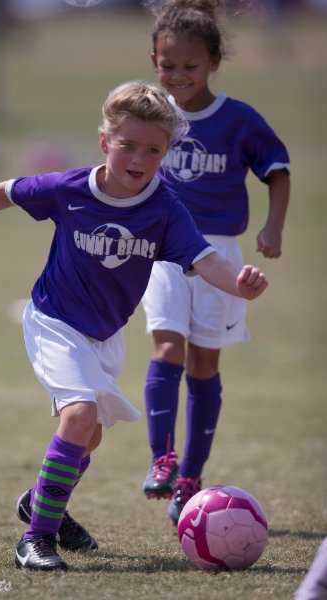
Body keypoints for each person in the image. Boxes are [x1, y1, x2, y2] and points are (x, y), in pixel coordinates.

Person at [0, 80, 268, 572]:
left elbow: (205, 260)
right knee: (79, 417)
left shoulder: (165, 210)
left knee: (89, 436)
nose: (139, 158)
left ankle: (41, 501)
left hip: (104, 336)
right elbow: (6, 192)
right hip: (55, 322)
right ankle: (36, 539)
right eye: (127, 144)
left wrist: (239, 283)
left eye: (153, 149)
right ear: (105, 142)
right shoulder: (70, 189)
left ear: (167, 152)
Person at [141, 0, 290, 526]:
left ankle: (191, 478)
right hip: (162, 250)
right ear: (154, 60)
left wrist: (273, 227)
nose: (179, 76)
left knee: (204, 364)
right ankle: (162, 459)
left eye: (191, 66)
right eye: (168, 65)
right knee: (166, 347)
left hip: (221, 253)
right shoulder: (150, 115)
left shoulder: (239, 119)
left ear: (214, 63)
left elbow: (277, 168)